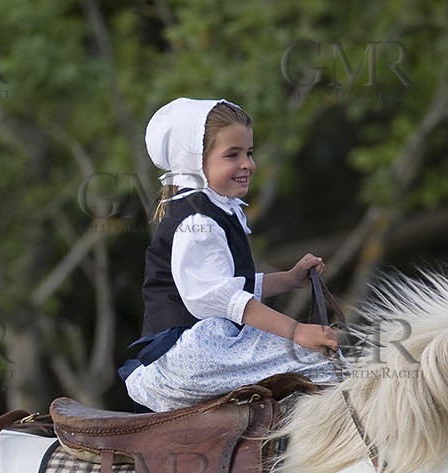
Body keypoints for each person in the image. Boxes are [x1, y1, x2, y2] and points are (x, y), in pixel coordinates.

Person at [120, 97, 340, 412]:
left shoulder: (215, 210)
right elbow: (224, 299)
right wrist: (298, 332)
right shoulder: (199, 222)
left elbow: (229, 285)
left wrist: (289, 280)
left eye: (248, 153)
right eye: (232, 155)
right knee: (316, 358)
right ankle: (327, 453)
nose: (247, 164)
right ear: (196, 162)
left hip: (207, 348)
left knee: (314, 358)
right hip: (190, 357)